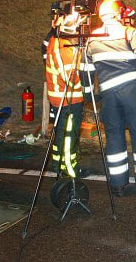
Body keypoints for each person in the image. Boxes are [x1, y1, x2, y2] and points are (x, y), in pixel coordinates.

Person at [86, 0, 136, 198]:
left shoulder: (92, 38)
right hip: (131, 93)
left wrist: (88, 93)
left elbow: (85, 70)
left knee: (113, 137)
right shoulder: (129, 33)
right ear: (119, 14)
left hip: (108, 96)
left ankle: (118, 185)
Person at [45, 11, 93, 177]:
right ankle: (69, 169)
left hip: (62, 98)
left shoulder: (57, 42)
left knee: (62, 133)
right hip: (68, 99)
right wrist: (87, 88)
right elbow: (70, 79)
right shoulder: (63, 47)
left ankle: (59, 164)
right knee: (69, 135)